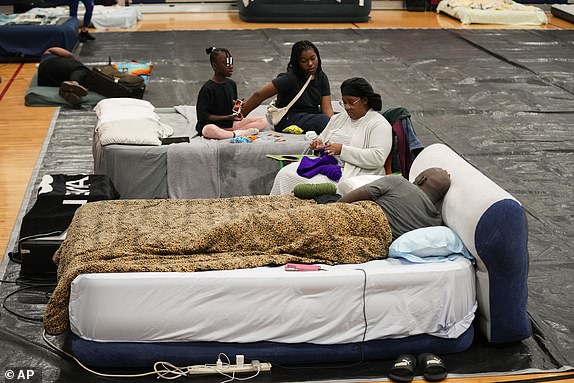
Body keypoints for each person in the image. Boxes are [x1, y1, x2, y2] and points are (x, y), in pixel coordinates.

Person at [270, 77, 392, 195]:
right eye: (344, 102)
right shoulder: (339, 118)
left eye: (351, 102)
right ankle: (277, 212)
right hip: (326, 165)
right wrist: (318, 144)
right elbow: (322, 138)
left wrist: (342, 150)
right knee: (285, 174)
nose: (347, 107)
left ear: (365, 100)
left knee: (308, 185)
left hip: (352, 174)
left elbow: (378, 158)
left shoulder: (378, 124)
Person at [239, 40, 334, 134]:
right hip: (288, 119)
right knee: (323, 120)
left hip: (311, 115)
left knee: (342, 117)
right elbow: (259, 95)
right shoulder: (289, 79)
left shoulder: (321, 76)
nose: (310, 64)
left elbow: (327, 109)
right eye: (304, 61)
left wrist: (333, 124)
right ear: (297, 62)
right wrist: (238, 117)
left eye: (313, 59)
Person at [339, 167, 451, 240]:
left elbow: (344, 202)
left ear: (421, 179)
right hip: (364, 243)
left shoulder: (398, 182)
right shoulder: (435, 223)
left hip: (346, 222)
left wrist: (328, 209)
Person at [195, 47, 268, 139]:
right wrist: (228, 117)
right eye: (226, 63)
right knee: (208, 130)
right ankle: (236, 133)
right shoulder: (207, 89)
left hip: (230, 124)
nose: (230, 66)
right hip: (213, 125)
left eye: (231, 63)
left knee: (263, 120)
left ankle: (233, 132)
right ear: (214, 65)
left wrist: (238, 108)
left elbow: (233, 109)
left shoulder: (231, 84)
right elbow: (203, 116)